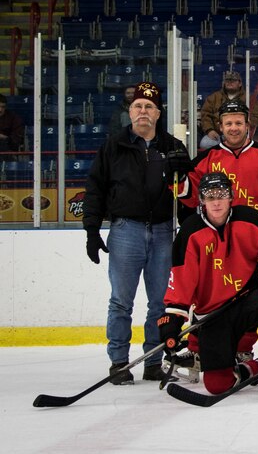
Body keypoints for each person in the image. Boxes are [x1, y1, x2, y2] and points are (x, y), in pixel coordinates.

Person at [159, 172, 258, 397]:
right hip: (213, 315)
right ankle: (254, 367)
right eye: (210, 197)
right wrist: (171, 321)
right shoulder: (190, 232)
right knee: (217, 384)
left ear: (232, 196)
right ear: (201, 200)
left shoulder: (249, 218)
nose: (217, 202)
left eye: (222, 195)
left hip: (247, 301)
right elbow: (180, 282)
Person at [83, 81, 189, 384]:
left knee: (160, 302)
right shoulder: (113, 146)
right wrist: (91, 230)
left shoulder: (172, 147)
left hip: (162, 232)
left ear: (158, 113)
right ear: (130, 112)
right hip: (125, 230)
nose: (143, 111)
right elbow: (95, 189)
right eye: (138, 106)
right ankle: (119, 362)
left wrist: (186, 172)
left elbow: (189, 195)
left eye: (149, 107)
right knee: (121, 301)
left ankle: (153, 360)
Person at [178, 100, 258, 216]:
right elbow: (191, 199)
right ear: (221, 127)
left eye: (238, 123)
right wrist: (177, 177)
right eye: (228, 124)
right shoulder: (206, 158)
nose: (234, 128)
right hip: (220, 231)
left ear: (247, 126)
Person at [199, 71, 258, 149]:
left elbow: (256, 116)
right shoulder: (213, 97)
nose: (230, 82)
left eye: (233, 81)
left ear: (240, 83)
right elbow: (205, 115)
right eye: (227, 80)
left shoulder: (249, 98)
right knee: (205, 143)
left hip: (240, 135)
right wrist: (210, 130)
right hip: (217, 135)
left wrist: (244, 129)